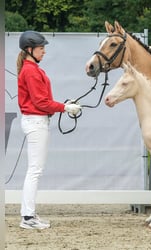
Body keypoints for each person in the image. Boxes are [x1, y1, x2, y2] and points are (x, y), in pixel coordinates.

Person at [17, 30, 81, 229]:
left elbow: (42, 101)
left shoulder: (33, 69)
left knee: (34, 170)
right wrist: (65, 107)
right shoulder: (31, 71)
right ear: (30, 49)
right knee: (35, 171)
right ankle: (28, 217)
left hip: (37, 121)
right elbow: (40, 101)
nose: (44, 52)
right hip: (36, 122)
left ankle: (28, 214)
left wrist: (64, 104)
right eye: (41, 48)